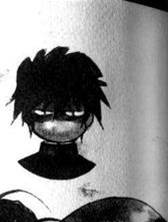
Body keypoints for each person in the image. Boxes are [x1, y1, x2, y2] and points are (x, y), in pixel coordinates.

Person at [10, 47, 109, 180]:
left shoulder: (89, 168)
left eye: (71, 114)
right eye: (44, 113)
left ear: (89, 118)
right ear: (28, 117)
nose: (56, 122)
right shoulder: (25, 166)